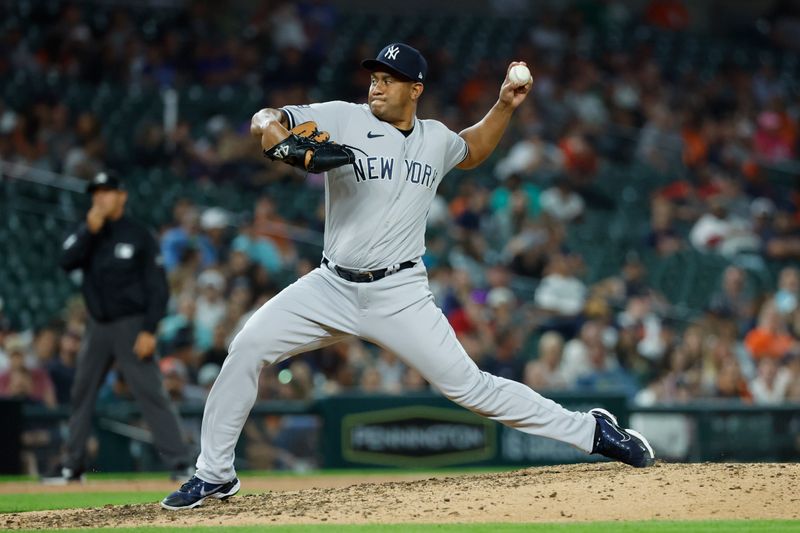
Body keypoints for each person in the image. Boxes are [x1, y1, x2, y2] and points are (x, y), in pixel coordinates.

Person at [162, 43, 655, 510]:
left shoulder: (435, 138)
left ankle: (591, 431)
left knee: (471, 389)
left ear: (415, 89)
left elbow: (473, 150)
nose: (376, 87)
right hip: (330, 286)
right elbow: (266, 119)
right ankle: (216, 472)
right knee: (248, 346)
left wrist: (504, 105)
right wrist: (278, 141)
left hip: (399, 293)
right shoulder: (343, 116)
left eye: (389, 80)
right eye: (374, 78)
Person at [48, 170, 190, 483]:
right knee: (81, 392)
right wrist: (88, 230)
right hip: (97, 325)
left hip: (131, 325)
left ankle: (181, 463)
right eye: (96, 192)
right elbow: (65, 260)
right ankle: (72, 465)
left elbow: (158, 287)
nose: (100, 197)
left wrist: (150, 329)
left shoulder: (139, 234)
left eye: (107, 191)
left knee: (150, 392)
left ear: (121, 196)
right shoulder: (87, 232)